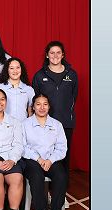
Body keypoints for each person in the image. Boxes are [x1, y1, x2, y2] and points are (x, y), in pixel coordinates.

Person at [22, 94, 68, 210]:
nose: (42, 107)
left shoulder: (57, 125)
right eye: (38, 104)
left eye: (45, 104)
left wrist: (50, 160)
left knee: (61, 176)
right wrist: (39, 159)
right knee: (37, 176)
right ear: (33, 107)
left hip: (51, 160)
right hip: (32, 160)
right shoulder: (25, 124)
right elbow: (22, 147)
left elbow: (62, 148)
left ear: (49, 106)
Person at [31, 41, 78, 174]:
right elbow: (36, 100)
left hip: (66, 121)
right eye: (52, 53)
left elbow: (74, 97)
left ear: (63, 55)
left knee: (63, 156)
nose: (55, 56)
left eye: (58, 53)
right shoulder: (40, 75)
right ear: (47, 55)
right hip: (45, 123)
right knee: (45, 154)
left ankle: (62, 183)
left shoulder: (72, 75)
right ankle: (43, 182)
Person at [0, 57, 35, 122]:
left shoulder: (29, 89)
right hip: (4, 125)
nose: (15, 71)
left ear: (21, 69)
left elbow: (31, 112)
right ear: (7, 70)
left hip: (22, 125)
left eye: (18, 67)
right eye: (11, 68)